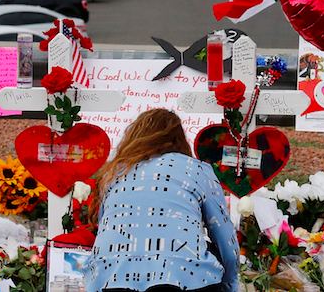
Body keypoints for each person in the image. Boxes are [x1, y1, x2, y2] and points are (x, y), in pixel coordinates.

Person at [86, 109, 238, 292]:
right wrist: (230, 284)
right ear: (180, 139)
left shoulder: (114, 173)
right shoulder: (197, 170)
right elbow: (226, 239)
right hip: (184, 276)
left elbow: (105, 226)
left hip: (111, 277)